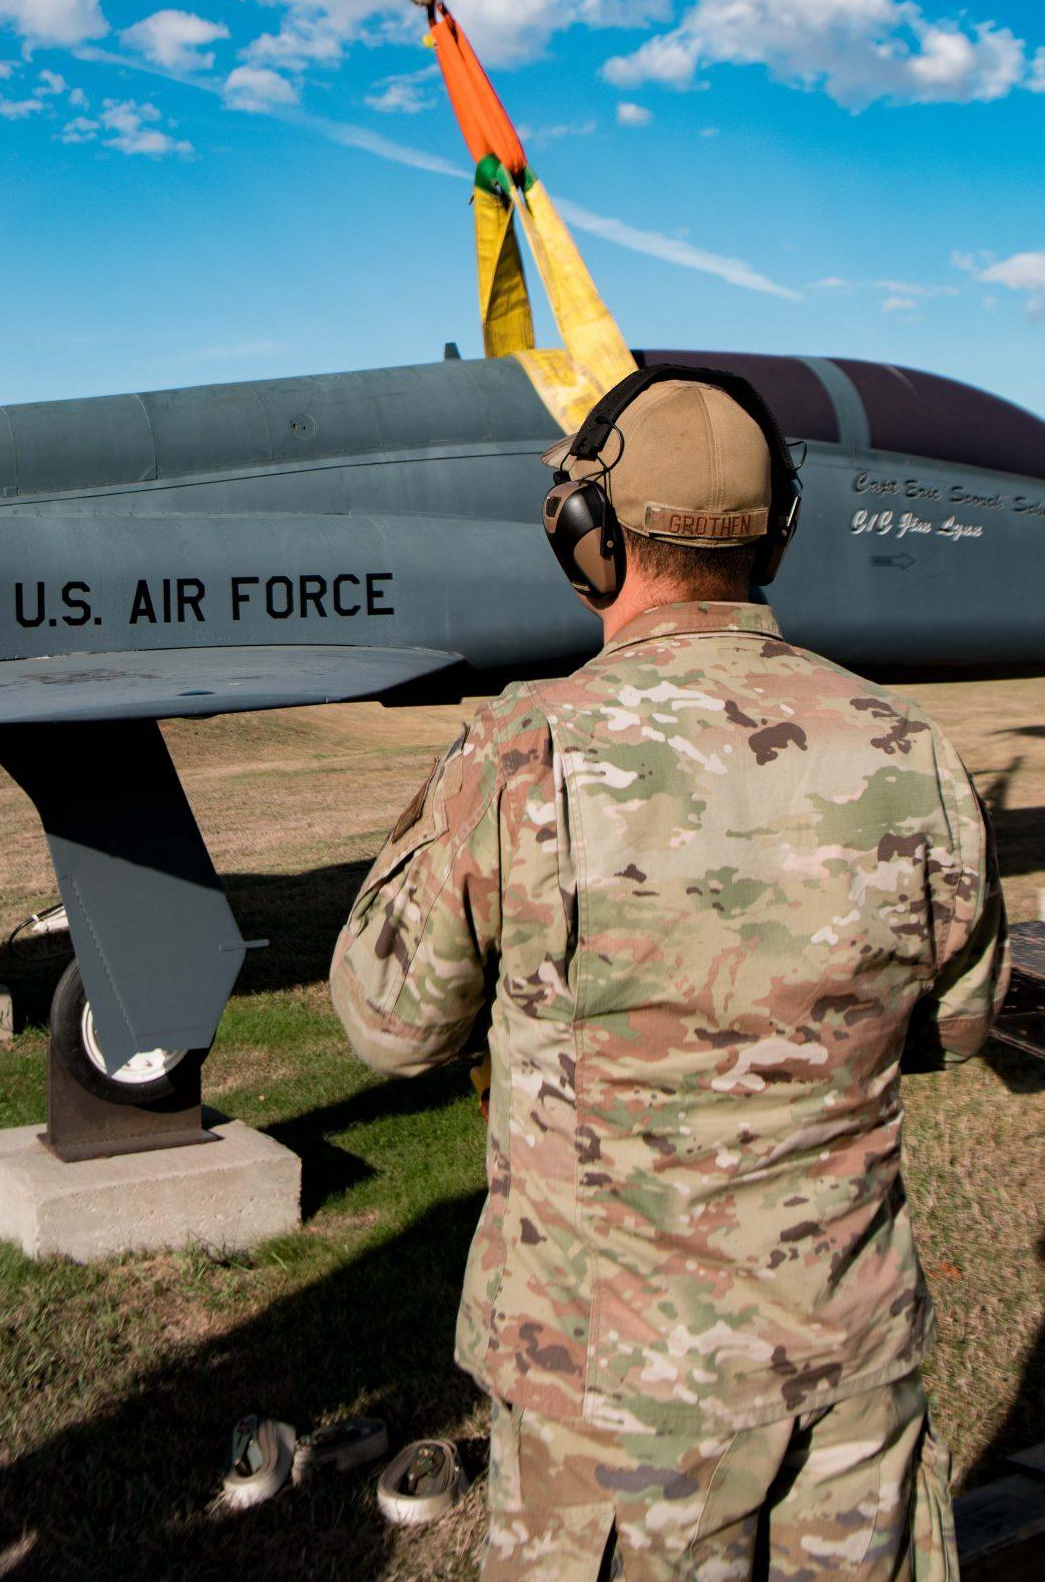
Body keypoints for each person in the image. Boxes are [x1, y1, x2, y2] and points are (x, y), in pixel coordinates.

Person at [329, 366, 1008, 1581]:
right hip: (845, 1382)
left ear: (583, 539)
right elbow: (953, 1028)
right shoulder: (914, 755)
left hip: (613, 1416)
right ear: (776, 534)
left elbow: (386, 1026)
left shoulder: (517, 756)